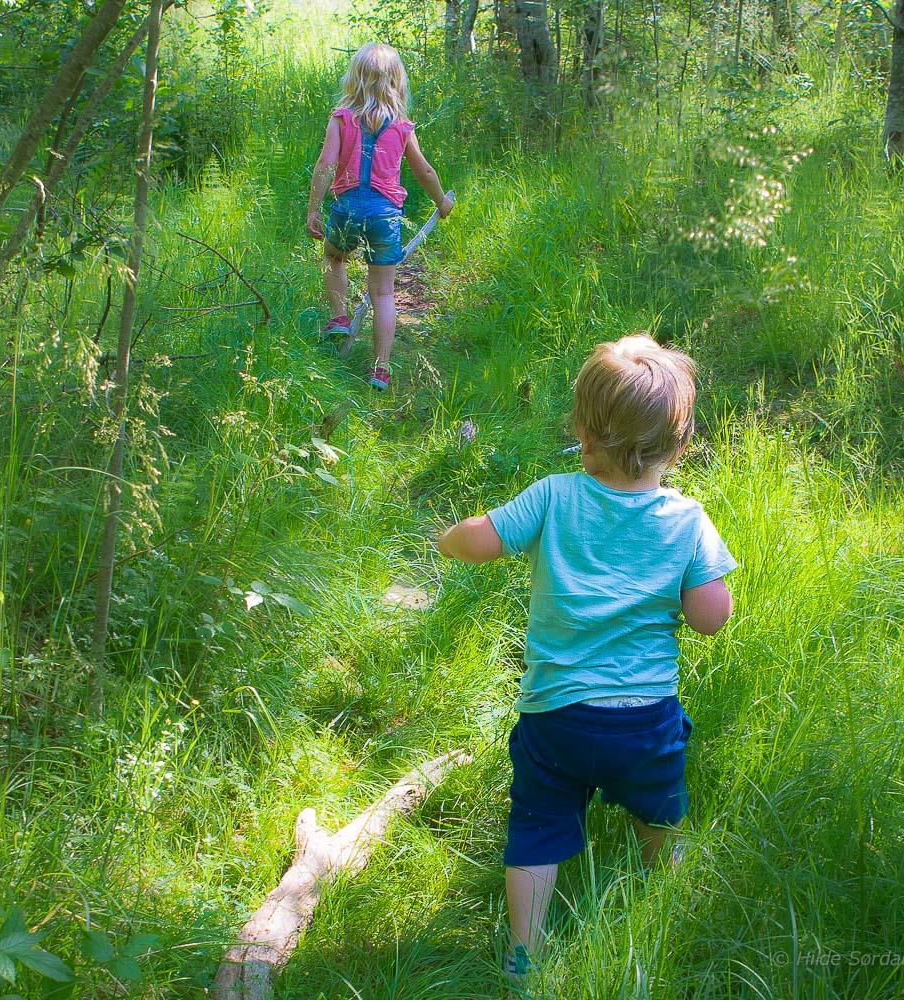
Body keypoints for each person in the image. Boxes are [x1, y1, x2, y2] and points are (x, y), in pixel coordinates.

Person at [437, 335, 738, 988]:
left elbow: (479, 541)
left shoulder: (553, 497)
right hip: (644, 724)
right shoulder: (688, 521)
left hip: (557, 719)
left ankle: (524, 952)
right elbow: (711, 617)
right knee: (660, 815)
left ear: (584, 433)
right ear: (680, 447)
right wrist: (699, 586)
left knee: (538, 826)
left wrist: (449, 536)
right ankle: (667, 907)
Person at [306, 43, 454, 391]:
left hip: (347, 209)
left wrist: (314, 208)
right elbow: (425, 170)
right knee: (384, 293)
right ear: (395, 81)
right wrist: (441, 202)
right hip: (385, 216)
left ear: (355, 78)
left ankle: (339, 316)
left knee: (333, 256)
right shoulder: (402, 126)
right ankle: (380, 369)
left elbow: (326, 164)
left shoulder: (342, 118)